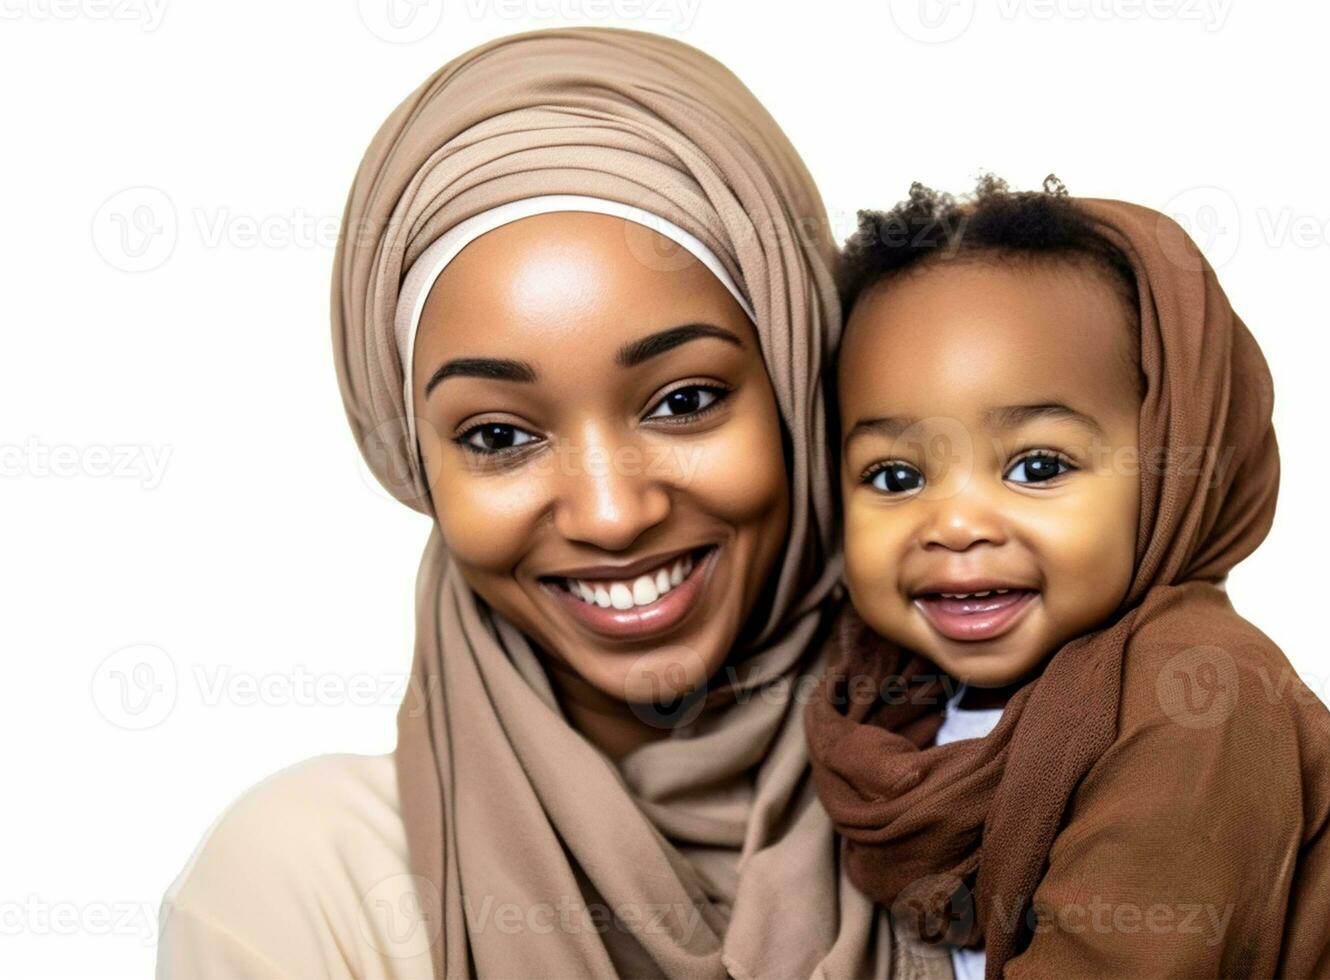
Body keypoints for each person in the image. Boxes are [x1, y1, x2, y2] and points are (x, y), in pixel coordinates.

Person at [157, 28, 929, 979]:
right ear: (415, 465)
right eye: (497, 437)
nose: (611, 514)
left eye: (684, 401)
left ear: (796, 387)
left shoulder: (1010, 785)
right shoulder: (310, 886)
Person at [805, 176, 1330, 978]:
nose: (955, 526)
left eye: (1035, 465)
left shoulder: (1198, 693)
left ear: (1172, 469)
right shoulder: (885, 703)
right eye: (893, 477)